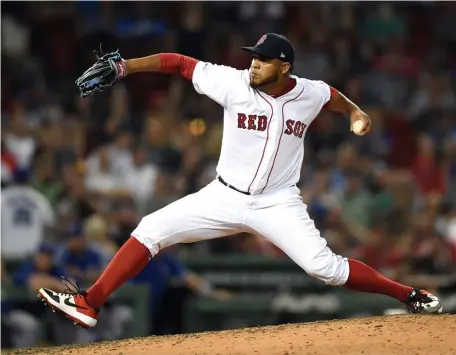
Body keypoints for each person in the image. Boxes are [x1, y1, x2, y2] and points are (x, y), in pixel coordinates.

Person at [38, 33, 442, 329]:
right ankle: (90, 302)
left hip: (278, 203)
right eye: (253, 58)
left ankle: (409, 294)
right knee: (150, 229)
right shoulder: (233, 83)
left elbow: (335, 98)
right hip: (223, 195)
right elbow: (179, 63)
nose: (253, 65)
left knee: (326, 269)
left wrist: (356, 114)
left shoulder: (309, 92)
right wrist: (127, 67)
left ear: (284, 67)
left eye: (263, 61)